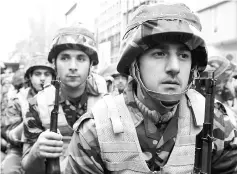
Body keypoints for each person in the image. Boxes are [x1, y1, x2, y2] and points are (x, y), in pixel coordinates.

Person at [65, 3, 237, 174]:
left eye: (183, 55)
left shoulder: (216, 122)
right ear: (134, 64)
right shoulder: (95, 130)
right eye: (159, 54)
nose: (174, 67)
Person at [21, 24, 107, 174]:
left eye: (81, 58)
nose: (73, 66)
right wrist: (36, 152)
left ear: (91, 64)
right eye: (65, 58)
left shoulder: (108, 105)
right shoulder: (37, 104)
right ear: (54, 64)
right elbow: (28, 167)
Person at [1, 55, 56, 174]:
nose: (42, 78)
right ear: (30, 77)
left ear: (53, 77)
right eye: (37, 74)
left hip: (53, 148)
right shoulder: (18, 100)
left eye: (47, 74)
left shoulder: (60, 97)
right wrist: (31, 119)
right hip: (20, 150)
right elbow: (7, 133)